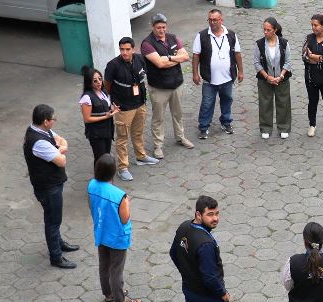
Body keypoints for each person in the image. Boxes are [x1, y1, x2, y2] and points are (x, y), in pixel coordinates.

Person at [23, 104, 79, 269]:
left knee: (54, 218)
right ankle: (56, 256)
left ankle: (59, 243)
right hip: (48, 187)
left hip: (52, 184)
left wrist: (60, 147)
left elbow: (62, 140)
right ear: (46, 122)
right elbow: (62, 161)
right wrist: (61, 150)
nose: (54, 121)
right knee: (53, 220)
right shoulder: (38, 141)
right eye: (53, 119)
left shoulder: (39, 130)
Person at [87, 154, 142, 302]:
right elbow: (124, 219)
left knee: (104, 265)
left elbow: (91, 206)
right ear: (112, 172)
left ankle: (109, 294)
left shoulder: (91, 185)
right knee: (116, 269)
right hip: (117, 237)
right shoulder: (119, 195)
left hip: (101, 232)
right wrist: (128, 204)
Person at [104, 37, 160, 182]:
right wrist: (111, 103)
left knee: (138, 132)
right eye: (122, 49)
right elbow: (107, 85)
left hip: (140, 104)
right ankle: (122, 168)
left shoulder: (140, 60)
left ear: (133, 49)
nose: (124, 52)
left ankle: (141, 157)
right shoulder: (113, 65)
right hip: (123, 108)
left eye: (127, 49)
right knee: (122, 138)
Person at [141, 13, 194, 159]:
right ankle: (158, 146)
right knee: (158, 118)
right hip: (159, 88)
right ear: (152, 27)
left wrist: (170, 58)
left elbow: (185, 56)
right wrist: (175, 60)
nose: (162, 30)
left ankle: (180, 137)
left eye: (163, 27)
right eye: (158, 27)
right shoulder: (147, 44)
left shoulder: (172, 37)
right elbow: (159, 63)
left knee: (178, 114)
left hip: (176, 84)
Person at [192, 8, 244, 139]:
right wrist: (195, 73)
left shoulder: (231, 35)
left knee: (227, 100)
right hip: (209, 79)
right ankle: (204, 127)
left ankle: (226, 123)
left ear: (221, 20)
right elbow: (196, 55)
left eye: (215, 20)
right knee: (207, 103)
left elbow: (237, 54)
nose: (212, 22)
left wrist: (241, 71)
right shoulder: (202, 36)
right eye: (210, 20)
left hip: (227, 78)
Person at [254, 17, 292, 140]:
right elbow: (257, 63)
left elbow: (288, 62)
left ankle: (284, 127)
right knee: (265, 103)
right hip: (265, 79)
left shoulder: (284, 43)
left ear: (275, 30)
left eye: (268, 30)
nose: (265, 32)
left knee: (283, 102)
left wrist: (280, 76)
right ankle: (265, 128)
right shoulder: (259, 44)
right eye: (264, 29)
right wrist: (267, 76)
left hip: (282, 79)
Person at [79, 66, 119, 163]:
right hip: (96, 133)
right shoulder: (87, 97)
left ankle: (106, 176)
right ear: (89, 82)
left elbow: (105, 109)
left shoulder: (103, 92)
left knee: (106, 155)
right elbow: (87, 119)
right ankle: (99, 177)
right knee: (100, 158)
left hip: (107, 130)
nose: (99, 82)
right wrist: (105, 116)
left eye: (100, 79)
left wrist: (113, 110)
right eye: (95, 81)